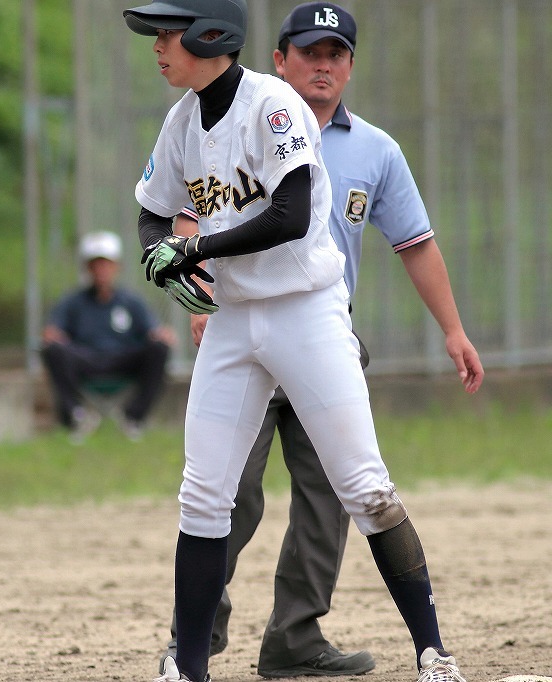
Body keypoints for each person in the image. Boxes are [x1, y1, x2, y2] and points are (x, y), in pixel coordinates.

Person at [122, 2, 483, 682]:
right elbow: (150, 211)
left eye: (168, 35)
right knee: (204, 495)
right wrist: (163, 256)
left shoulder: (272, 105)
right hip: (233, 319)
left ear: (210, 36)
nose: (158, 48)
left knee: (364, 487)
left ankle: (434, 652)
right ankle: (189, 667)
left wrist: (194, 245)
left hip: (307, 313)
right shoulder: (182, 121)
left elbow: (289, 216)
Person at [40, 230, 175, 441]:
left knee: (159, 349)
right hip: (86, 358)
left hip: (122, 358)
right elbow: (53, 330)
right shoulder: (73, 302)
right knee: (53, 350)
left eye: (106, 264)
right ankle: (77, 414)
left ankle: (134, 415)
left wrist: (160, 335)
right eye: (96, 264)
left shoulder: (131, 302)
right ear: (88, 268)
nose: (101, 270)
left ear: (116, 266)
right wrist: (53, 335)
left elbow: (153, 331)